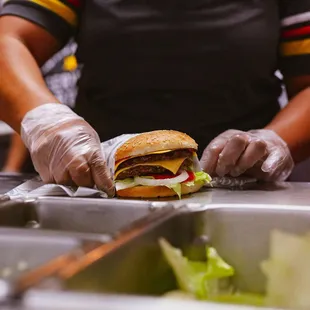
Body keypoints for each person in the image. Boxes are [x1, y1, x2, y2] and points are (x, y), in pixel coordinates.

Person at [0, 1, 309, 196]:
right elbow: (9, 38)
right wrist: (46, 121)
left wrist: (275, 141)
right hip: (98, 186)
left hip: (244, 190)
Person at [1, 40, 81, 173]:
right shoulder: (36, 51)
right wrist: (12, 168)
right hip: (44, 143)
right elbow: (26, 109)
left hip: (87, 134)